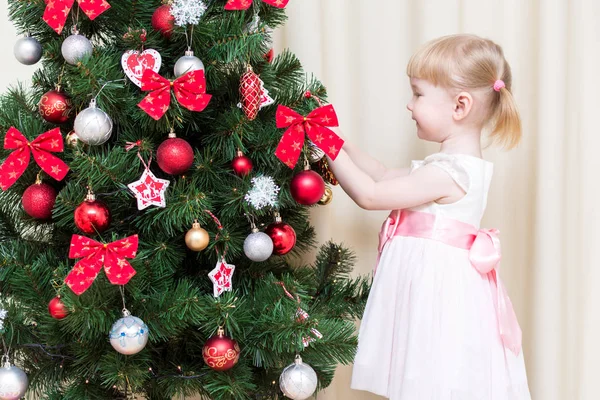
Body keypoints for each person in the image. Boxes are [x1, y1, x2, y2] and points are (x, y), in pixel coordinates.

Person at [326, 34, 531, 399]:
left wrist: (325, 149)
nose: (409, 105)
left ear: (460, 106)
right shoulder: (445, 166)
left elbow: (371, 195)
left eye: (418, 94)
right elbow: (384, 175)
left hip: (437, 295)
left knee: (433, 376)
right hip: (425, 288)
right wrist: (338, 143)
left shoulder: (452, 173)